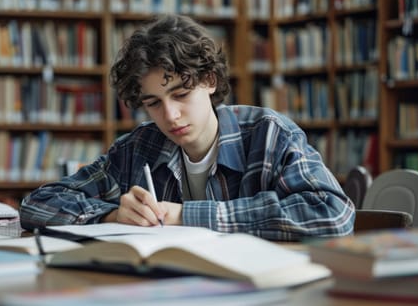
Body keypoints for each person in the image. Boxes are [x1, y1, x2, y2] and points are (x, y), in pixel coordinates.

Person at [19, 14, 355, 241]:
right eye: (153, 103)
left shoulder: (269, 135)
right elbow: (39, 204)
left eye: (181, 94)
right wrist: (111, 217)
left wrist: (187, 216)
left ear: (210, 80)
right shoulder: (138, 148)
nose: (170, 115)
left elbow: (332, 214)